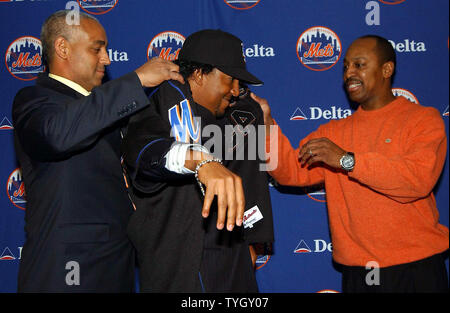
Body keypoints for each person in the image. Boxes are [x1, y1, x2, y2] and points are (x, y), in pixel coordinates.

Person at [256, 34, 449, 292]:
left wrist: (346, 160)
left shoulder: (423, 120)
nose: (349, 74)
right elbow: (290, 171)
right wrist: (266, 124)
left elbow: (417, 181)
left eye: (359, 65)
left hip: (416, 269)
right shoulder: (334, 132)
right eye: (346, 66)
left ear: (386, 69)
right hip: (359, 273)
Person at [12, 10, 185, 292]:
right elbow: (57, 135)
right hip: (69, 269)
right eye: (97, 49)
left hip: (118, 263)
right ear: (62, 48)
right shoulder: (35, 100)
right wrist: (136, 80)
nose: (106, 58)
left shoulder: (110, 108)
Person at [121, 29, 274, 292]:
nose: (236, 90)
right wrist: (200, 161)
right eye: (230, 80)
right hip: (178, 263)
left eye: (240, 83)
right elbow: (147, 152)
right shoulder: (157, 109)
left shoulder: (241, 116)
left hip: (231, 256)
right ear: (200, 74)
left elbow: (251, 180)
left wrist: (253, 241)